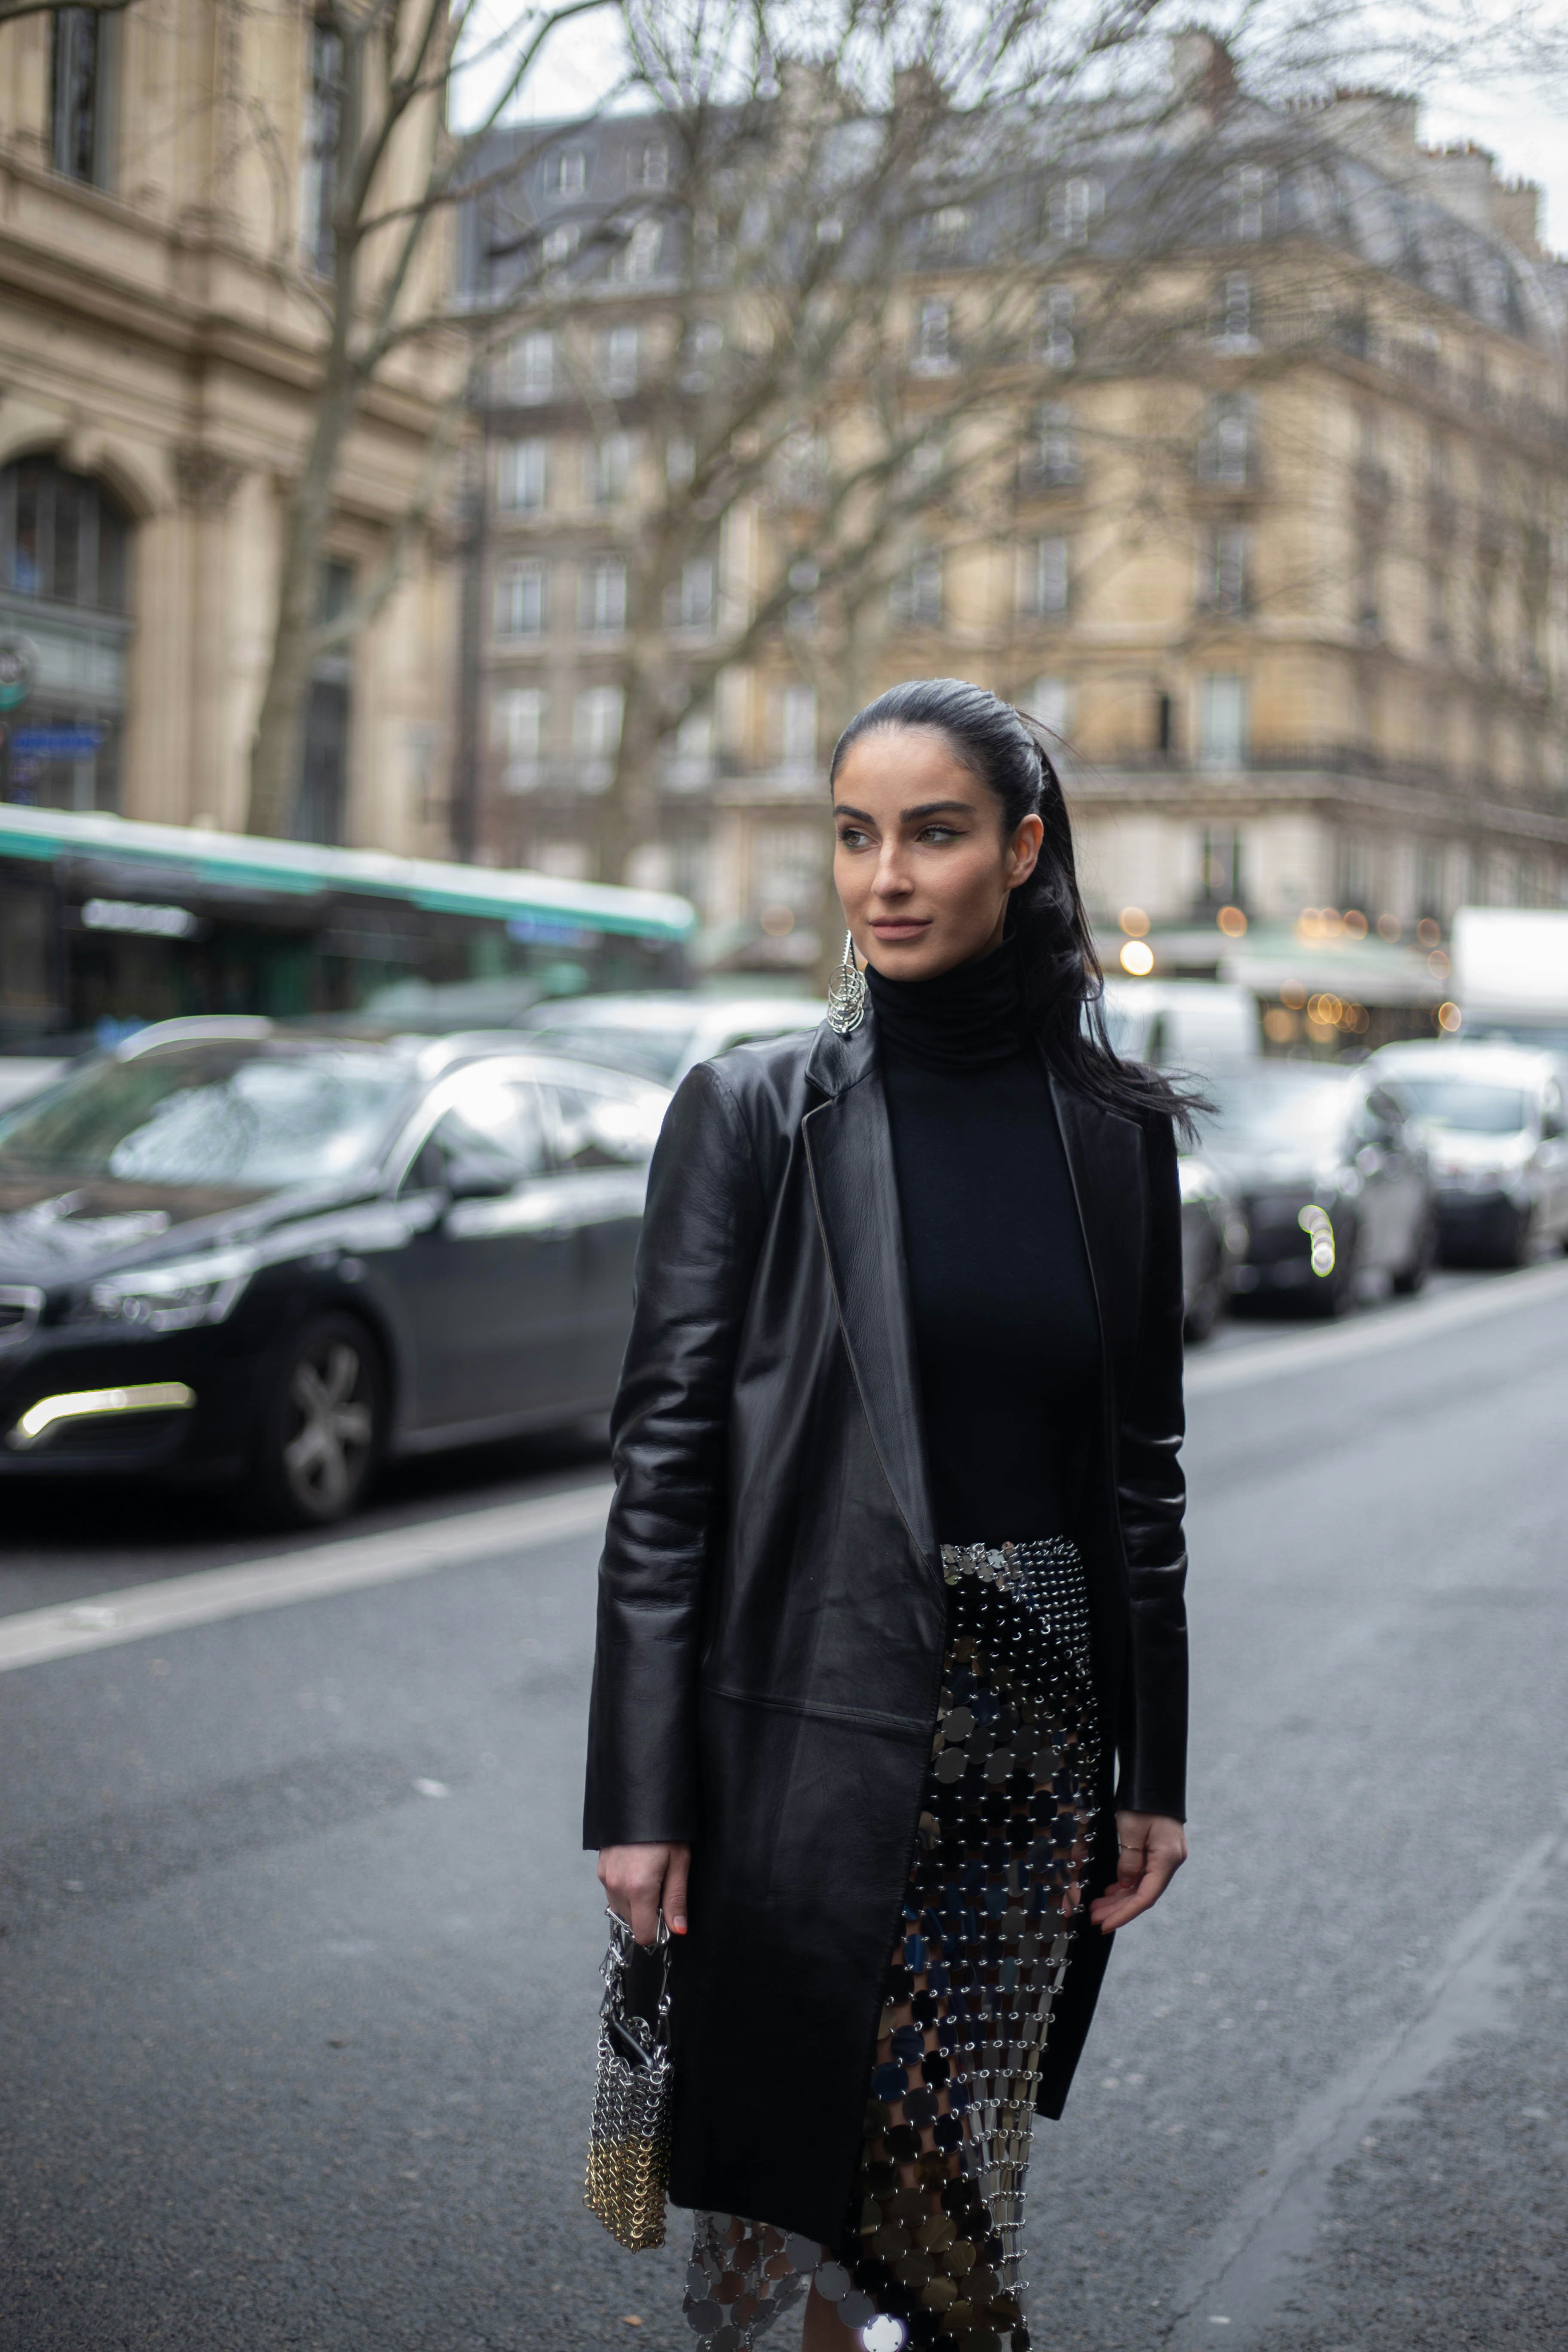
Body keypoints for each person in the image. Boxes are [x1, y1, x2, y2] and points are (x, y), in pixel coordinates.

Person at [585, 678, 1193, 2352]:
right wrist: (640, 1791)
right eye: (856, 836)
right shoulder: (755, 1112)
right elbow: (665, 1472)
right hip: (804, 1723)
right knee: (832, 2179)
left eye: (933, 834)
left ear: (1024, 848)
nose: (887, 878)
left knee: (935, 2167)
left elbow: (1140, 1472)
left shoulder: (1114, 1136)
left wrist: (1154, 1768)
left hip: (1031, 1744)